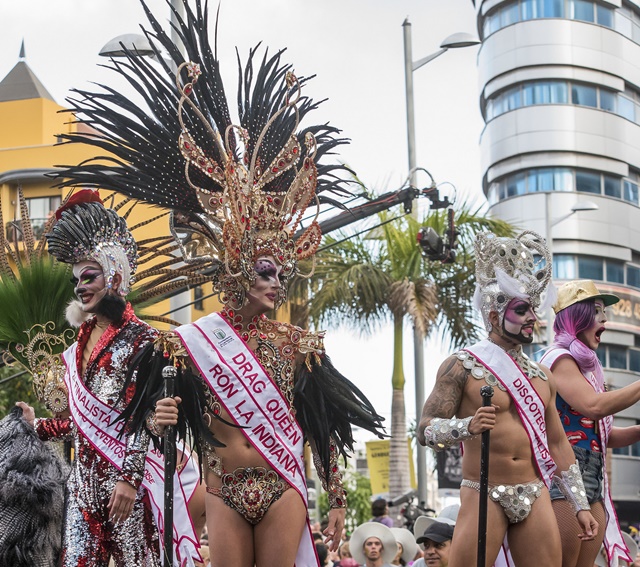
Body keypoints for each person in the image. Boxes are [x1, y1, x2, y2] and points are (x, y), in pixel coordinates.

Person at [55, 3, 385, 566]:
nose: (276, 283)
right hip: (222, 489)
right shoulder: (187, 346)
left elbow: (321, 423)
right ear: (237, 271)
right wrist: (161, 423)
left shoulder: (297, 346)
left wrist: (334, 498)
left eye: (282, 274)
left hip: (280, 485)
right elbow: (149, 419)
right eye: (265, 272)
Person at [15, 193, 200, 567]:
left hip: (126, 490)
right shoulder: (77, 346)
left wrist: (129, 479)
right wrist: (40, 427)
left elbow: (142, 420)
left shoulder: (146, 340)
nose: (80, 286)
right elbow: (84, 424)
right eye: (76, 280)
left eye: (89, 276)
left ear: (114, 275)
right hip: (82, 491)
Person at [417, 231, 599, 567]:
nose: (533, 317)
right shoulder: (461, 366)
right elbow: (425, 430)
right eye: (522, 310)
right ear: (493, 316)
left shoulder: (543, 378)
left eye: (532, 310)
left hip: (534, 491)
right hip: (483, 490)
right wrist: (466, 426)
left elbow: (558, 445)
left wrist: (581, 505)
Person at [541, 280, 640, 566]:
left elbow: (602, 435)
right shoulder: (560, 359)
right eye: (597, 311)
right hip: (567, 470)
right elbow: (593, 407)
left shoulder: (588, 366)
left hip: (592, 473)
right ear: (578, 317)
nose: (605, 318)